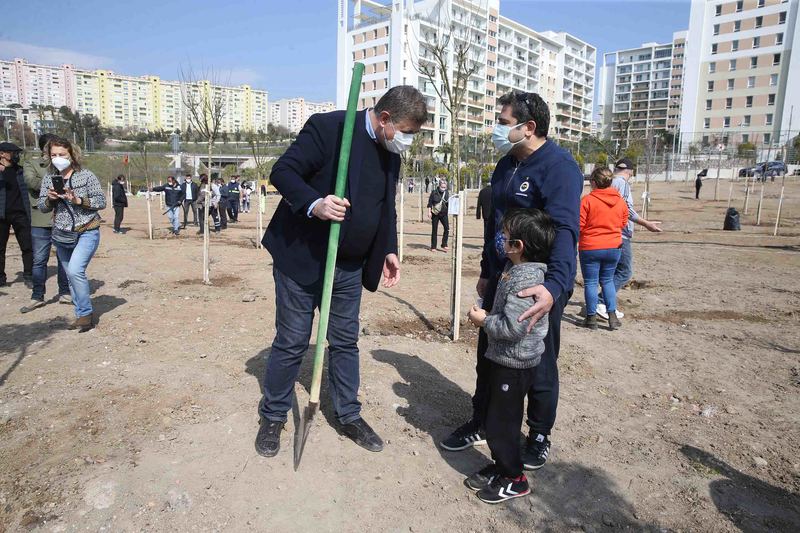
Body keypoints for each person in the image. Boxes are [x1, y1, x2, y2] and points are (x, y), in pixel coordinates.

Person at [255, 85, 428, 458]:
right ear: (384, 120)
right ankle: (272, 415)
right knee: (292, 339)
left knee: (345, 340)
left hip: (349, 266)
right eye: (407, 133)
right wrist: (315, 204)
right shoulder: (329, 128)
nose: (408, 142)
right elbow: (282, 172)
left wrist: (390, 249)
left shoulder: (389, 152)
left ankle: (348, 414)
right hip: (303, 258)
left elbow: (386, 209)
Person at [440, 91, 583, 473]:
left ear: (529, 127)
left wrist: (554, 288)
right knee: (489, 352)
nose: (496, 129)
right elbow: (494, 227)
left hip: (536, 283)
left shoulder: (560, 167)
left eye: (503, 122)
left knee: (537, 359)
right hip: (502, 277)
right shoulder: (505, 165)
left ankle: (538, 433)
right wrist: (488, 271)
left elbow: (567, 230)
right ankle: (482, 419)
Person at [465, 208, 555, 504]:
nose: (499, 240)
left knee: (503, 423)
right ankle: (502, 465)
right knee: (497, 418)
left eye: (504, 237)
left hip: (513, 364)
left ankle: (515, 478)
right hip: (503, 359)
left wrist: (483, 320)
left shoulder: (524, 283)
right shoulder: (514, 270)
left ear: (518, 246)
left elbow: (511, 328)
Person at [38, 137, 106, 332]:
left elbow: (101, 202)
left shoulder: (86, 176)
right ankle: (80, 313)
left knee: (76, 270)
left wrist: (77, 199)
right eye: (54, 155)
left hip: (87, 230)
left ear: (72, 155)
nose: (58, 158)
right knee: (70, 275)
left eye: (62, 154)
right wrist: (50, 199)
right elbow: (42, 207)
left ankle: (85, 314)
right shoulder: (48, 178)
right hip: (62, 234)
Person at [596, 158, 662, 320]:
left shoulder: (608, 183)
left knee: (611, 272)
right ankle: (601, 301)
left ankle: (604, 303)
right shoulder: (622, 184)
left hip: (606, 232)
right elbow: (627, 209)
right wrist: (646, 223)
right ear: (631, 171)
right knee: (624, 272)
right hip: (620, 233)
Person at [20, 134, 71, 312]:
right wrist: (55, 183)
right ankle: (37, 296)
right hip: (41, 219)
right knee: (39, 260)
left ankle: (65, 293)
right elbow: (31, 182)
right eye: (52, 149)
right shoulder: (32, 164)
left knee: (64, 259)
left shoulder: (65, 165)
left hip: (63, 218)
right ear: (45, 149)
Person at [579, 167, 628, 331]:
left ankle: (591, 318)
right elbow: (623, 223)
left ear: (593, 182)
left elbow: (580, 224)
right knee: (607, 281)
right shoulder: (620, 201)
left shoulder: (587, 200)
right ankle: (612, 316)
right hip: (614, 246)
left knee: (591, 282)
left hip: (590, 247)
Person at [0, 142, 33, 288]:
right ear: (2, 154)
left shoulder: (20, 171)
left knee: (27, 246)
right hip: (1, 216)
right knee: (1, 248)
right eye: (13, 153)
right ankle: (1, 278)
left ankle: (28, 275)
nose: (16, 156)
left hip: (21, 214)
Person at [427, 178, 449, 252]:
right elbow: (430, 203)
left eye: (444, 187)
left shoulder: (447, 193)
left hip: (444, 213)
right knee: (434, 230)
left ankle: (444, 244)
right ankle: (433, 246)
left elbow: (448, 203)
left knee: (447, 228)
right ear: (439, 186)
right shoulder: (434, 192)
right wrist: (429, 212)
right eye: (442, 187)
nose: (443, 188)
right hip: (435, 213)